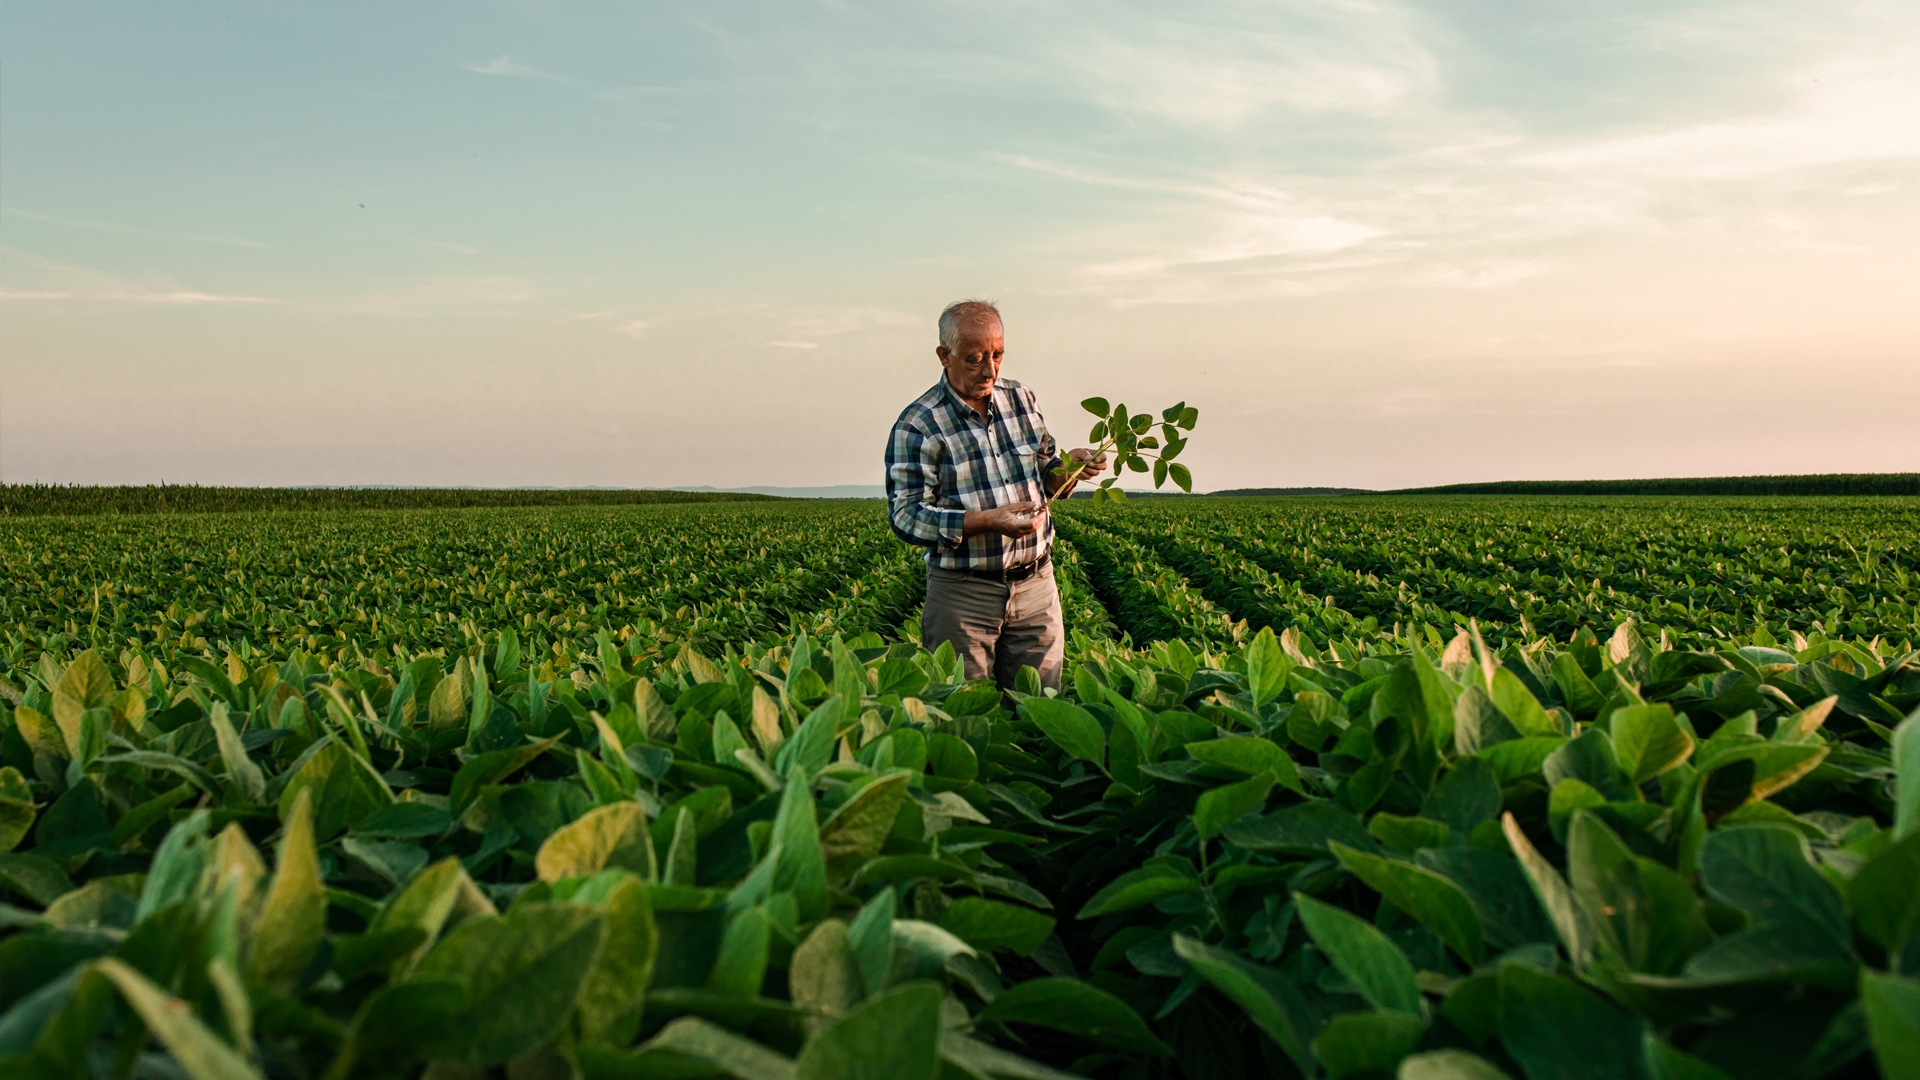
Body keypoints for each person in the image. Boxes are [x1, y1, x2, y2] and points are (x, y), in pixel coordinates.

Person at [884, 299, 1107, 690]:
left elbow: (1046, 471)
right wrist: (989, 521)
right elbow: (905, 516)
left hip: (1037, 585)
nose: (990, 369)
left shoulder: (1021, 399)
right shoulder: (919, 424)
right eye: (975, 358)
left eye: (997, 354)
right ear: (944, 355)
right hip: (963, 595)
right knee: (964, 710)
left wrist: (1069, 470)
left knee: (1042, 709)